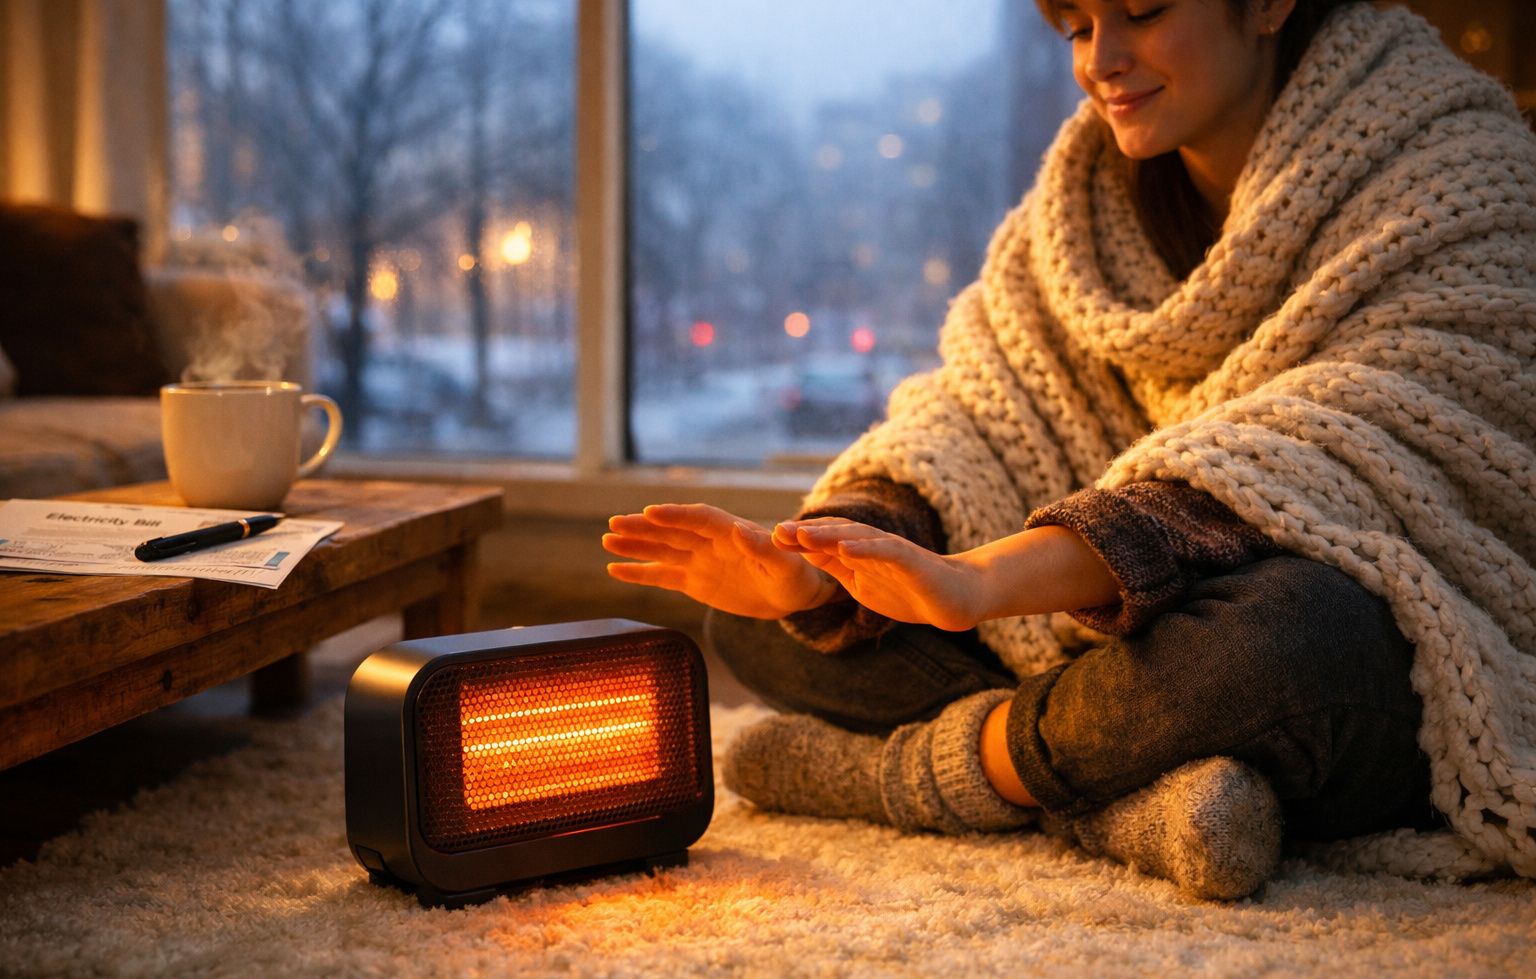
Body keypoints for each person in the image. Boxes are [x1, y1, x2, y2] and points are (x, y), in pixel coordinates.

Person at [604, 0, 1536, 899]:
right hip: (1119, 649)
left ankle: (904, 776)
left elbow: (1337, 442)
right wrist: (822, 567)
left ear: (1268, 3)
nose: (1100, 60)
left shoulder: (1457, 171)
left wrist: (985, 582)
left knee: (1288, 637)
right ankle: (1126, 798)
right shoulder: (1075, 218)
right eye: (1077, 27)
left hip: (1384, 638)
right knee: (754, 626)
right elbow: (968, 418)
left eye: (1143, 11)